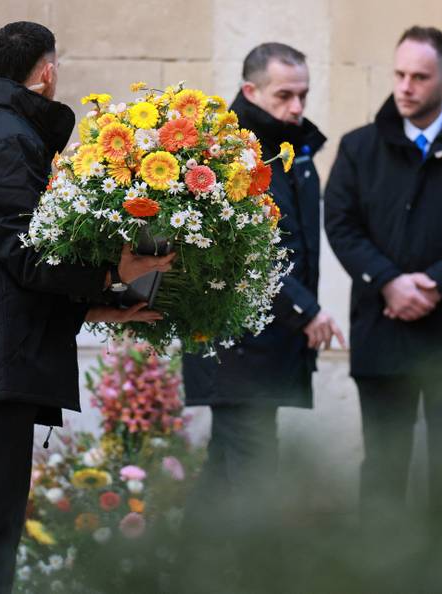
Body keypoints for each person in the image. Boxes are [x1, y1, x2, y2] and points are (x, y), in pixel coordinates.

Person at [0, 21, 172, 593]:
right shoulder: (6, 140)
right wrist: (113, 272)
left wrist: (100, 306)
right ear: (47, 72)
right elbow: (23, 256)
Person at [324, 26, 442, 532]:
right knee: (383, 469)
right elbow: (341, 224)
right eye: (399, 74)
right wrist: (389, 282)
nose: (405, 86)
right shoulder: (358, 147)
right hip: (381, 331)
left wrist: (435, 283)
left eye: (419, 76)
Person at [181, 42, 341, 526]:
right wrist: (307, 310)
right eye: (284, 95)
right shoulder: (231, 151)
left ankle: (180, 571)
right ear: (251, 90)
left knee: (227, 469)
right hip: (235, 340)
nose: (297, 106)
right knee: (256, 477)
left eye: (304, 95)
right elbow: (250, 251)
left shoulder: (291, 145)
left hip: (263, 341)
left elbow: (291, 242)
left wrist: (301, 311)